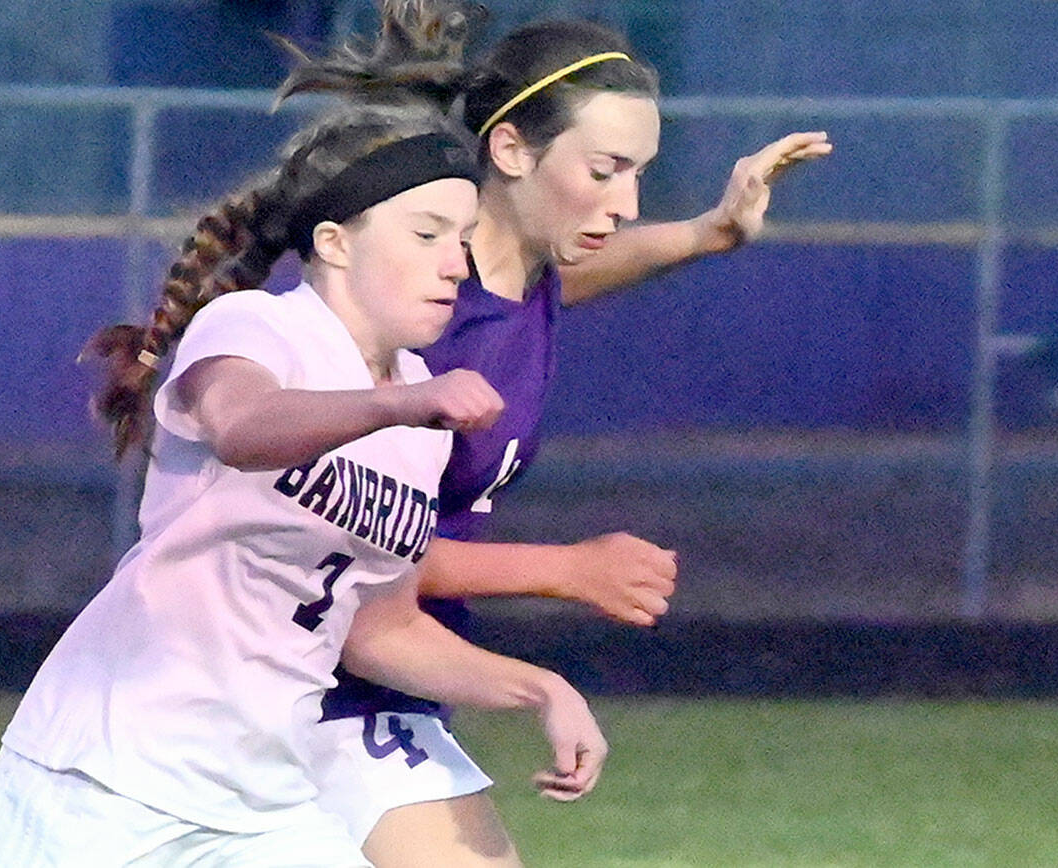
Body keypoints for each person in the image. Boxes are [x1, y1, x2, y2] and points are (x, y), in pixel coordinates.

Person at [0, 18, 607, 867]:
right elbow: (244, 426)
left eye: (460, 236)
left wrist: (540, 689)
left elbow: (380, 628)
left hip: (263, 805)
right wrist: (401, 402)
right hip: (106, 777)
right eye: (424, 234)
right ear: (333, 243)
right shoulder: (258, 327)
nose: (454, 262)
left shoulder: (416, 422)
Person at [277, 8, 833, 867]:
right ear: (509, 150)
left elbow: (548, 288)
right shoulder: (419, 319)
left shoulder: (515, 273)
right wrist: (566, 570)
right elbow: (346, 549)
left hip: (395, 667)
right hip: (302, 676)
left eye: (640, 173)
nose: (627, 202)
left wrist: (704, 234)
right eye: (605, 170)